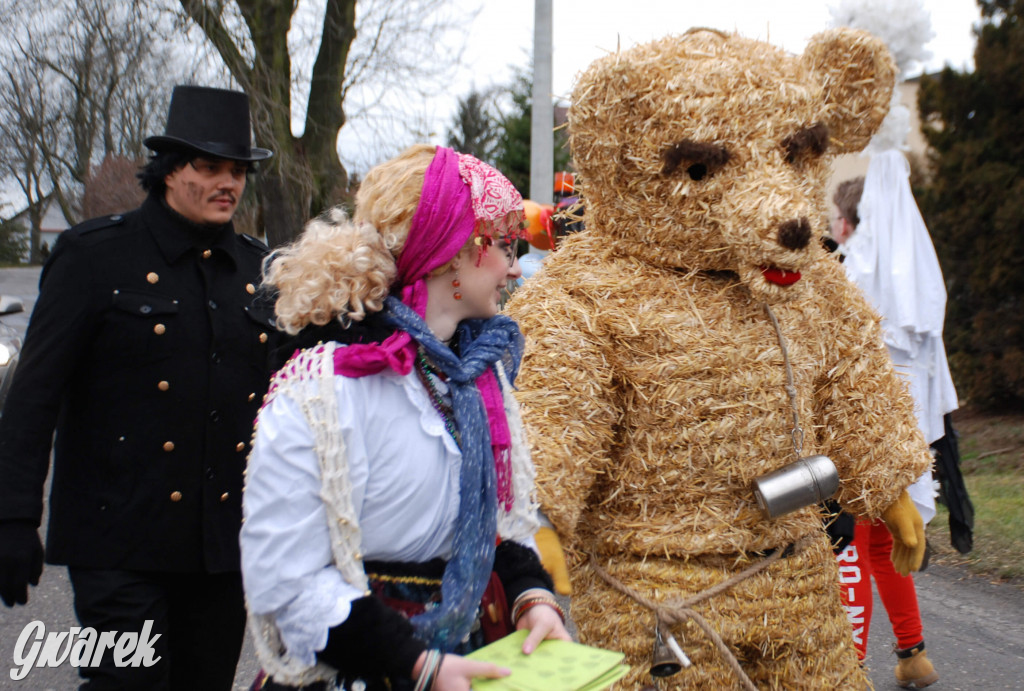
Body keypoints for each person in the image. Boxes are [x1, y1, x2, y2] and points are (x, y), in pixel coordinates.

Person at [242, 144, 571, 690]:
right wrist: (418, 665)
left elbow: (502, 524)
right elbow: (288, 580)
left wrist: (531, 600)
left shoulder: (477, 379)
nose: (516, 266)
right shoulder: (327, 388)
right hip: (365, 661)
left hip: (467, 650)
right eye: (504, 244)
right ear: (450, 252)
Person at [0, 85, 277, 689]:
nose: (227, 182)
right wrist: (13, 515)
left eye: (238, 171)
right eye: (209, 167)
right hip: (116, 543)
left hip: (219, 552)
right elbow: (34, 395)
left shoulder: (260, 274)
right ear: (170, 169)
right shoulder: (94, 258)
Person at [831, 155, 962, 689]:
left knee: (853, 547)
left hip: (862, 439)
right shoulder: (909, 280)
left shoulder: (851, 275)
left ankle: (851, 665)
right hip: (910, 439)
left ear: (847, 223)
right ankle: (914, 653)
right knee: (887, 547)